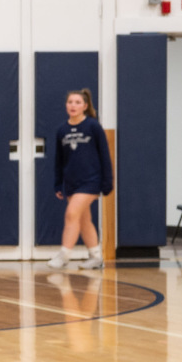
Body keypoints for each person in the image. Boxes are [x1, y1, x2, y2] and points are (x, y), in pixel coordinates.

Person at [49, 88, 112, 270]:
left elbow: (105, 155)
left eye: (77, 102)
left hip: (91, 181)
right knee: (84, 220)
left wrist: (107, 181)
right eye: (70, 102)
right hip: (71, 182)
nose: (73, 106)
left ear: (85, 106)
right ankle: (95, 256)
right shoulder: (62, 130)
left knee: (71, 214)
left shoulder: (93, 126)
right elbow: (59, 161)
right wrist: (58, 184)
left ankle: (64, 255)